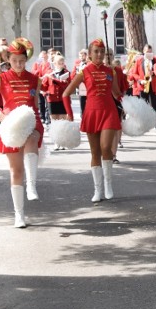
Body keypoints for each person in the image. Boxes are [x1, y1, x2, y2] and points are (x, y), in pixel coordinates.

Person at [0, 38, 43, 228]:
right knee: (16, 171)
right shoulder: (1, 78)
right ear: (9, 60)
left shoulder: (34, 79)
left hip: (31, 123)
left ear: (26, 59)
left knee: (32, 137)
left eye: (22, 60)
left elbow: (36, 104)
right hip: (11, 126)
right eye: (15, 61)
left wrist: (39, 124)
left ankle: (32, 185)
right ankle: (19, 215)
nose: (19, 65)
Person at [64, 39, 122, 202]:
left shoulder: (112, 71)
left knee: (106, 147)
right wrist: (69, 114)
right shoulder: (84, 72)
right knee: (95, 152)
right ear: (89, 54)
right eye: (96, 51)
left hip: (109, 112)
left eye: (102, 51)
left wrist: (130, 104)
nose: (99, 54)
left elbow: (117, 93)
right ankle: (98, 190)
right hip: (91, 113)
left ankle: (108, 184)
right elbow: (66, 93)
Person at [71, 49, 90, 117]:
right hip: (80, 85)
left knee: (89, 101)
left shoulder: (89, 63)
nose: (81, 57)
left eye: (83, 56)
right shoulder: (77, 65)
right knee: (82, 101)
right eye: (80, 56)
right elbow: (73, 74)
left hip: (88, 85)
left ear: (86, 56)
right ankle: (82, 115)